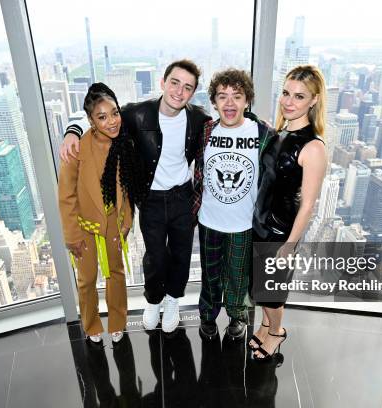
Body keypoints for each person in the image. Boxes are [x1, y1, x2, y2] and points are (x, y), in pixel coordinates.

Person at [60, 60, 211, 333]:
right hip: (150, 199)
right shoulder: (137, 114)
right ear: (162, 83)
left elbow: (228, 123)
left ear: (193, 93)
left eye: (187, 87)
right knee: (155, 257)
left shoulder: (199, 119)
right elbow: (101, 116)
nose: (179, 91)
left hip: (183, 198)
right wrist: (72, 130)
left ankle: (173, 300)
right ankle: (154, 300)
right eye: (175, 83)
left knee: (180, 255)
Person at [58, 83, 146, 344]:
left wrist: (127, 222)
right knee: (86, 280)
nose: (112, 121)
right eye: (102, 117)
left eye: (114, 113)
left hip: (113, 223)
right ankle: (91, 324)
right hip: (83, 225)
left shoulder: (124, 145)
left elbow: (127, 191)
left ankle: (118, 321)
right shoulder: (75, 150)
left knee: (116, 273)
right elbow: (66, 197)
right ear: (90, 120)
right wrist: (72, 236)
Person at [250, 65, 328, 360]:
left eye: (299, 96)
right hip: (259, 224)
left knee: (271, 292)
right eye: (285, 93)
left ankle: (276, 333)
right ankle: (265, 326)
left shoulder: (313, 147)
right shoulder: (278, 133)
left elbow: (308, 205)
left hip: (281, 233)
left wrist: (289, 245)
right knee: (261, 287)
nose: (288, 101)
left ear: (314, 100)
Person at [192, 69, 276, 340]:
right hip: (208, 220)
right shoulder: (207, 130)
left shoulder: (263, 133)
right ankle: (207, 316)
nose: (229, 103)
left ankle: (237, 316)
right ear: (214, 102)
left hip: (243, 223)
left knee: (238, 276)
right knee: (211, 274)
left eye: (236, 97)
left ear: (247, 101)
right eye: (222, 96)